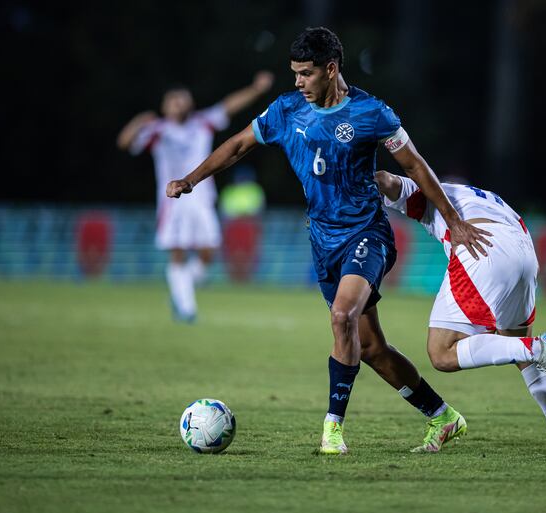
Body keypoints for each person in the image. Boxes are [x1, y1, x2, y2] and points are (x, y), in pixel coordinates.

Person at [166, 27, 491, 454]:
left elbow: (415, 165)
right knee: (372, 348)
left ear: (331, 69)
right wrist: (191, 179)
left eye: (305, 73)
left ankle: (332, 431)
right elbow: (238, 145)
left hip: (367, 234)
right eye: (294, 73)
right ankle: (443, 417)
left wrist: (452, 219)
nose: (297, 82)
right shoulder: (286, 111)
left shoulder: (372, 113)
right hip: (323, 241)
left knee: (342, 318)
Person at [375, 169, 546, 455]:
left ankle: (537, 347)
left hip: (480, 246)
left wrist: (352, 181)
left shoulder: (428, 191)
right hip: (523, 253)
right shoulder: (482, 196)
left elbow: (386, 180)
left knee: (442, 353)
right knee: (517, 349)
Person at [117, 72, 274, 322]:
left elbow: (229, 106)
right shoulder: (157, 130)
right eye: (173, 100)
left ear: (189, 102)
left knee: (209, 250)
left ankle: (181, 290)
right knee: (177, 252)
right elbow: (124, 143)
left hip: (201, 198)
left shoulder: (201, 122)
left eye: (182, 99)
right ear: (165, 106)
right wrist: (139, 121)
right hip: (173, 201)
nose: (178, 103)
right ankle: (187, 309)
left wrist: (256, 89)